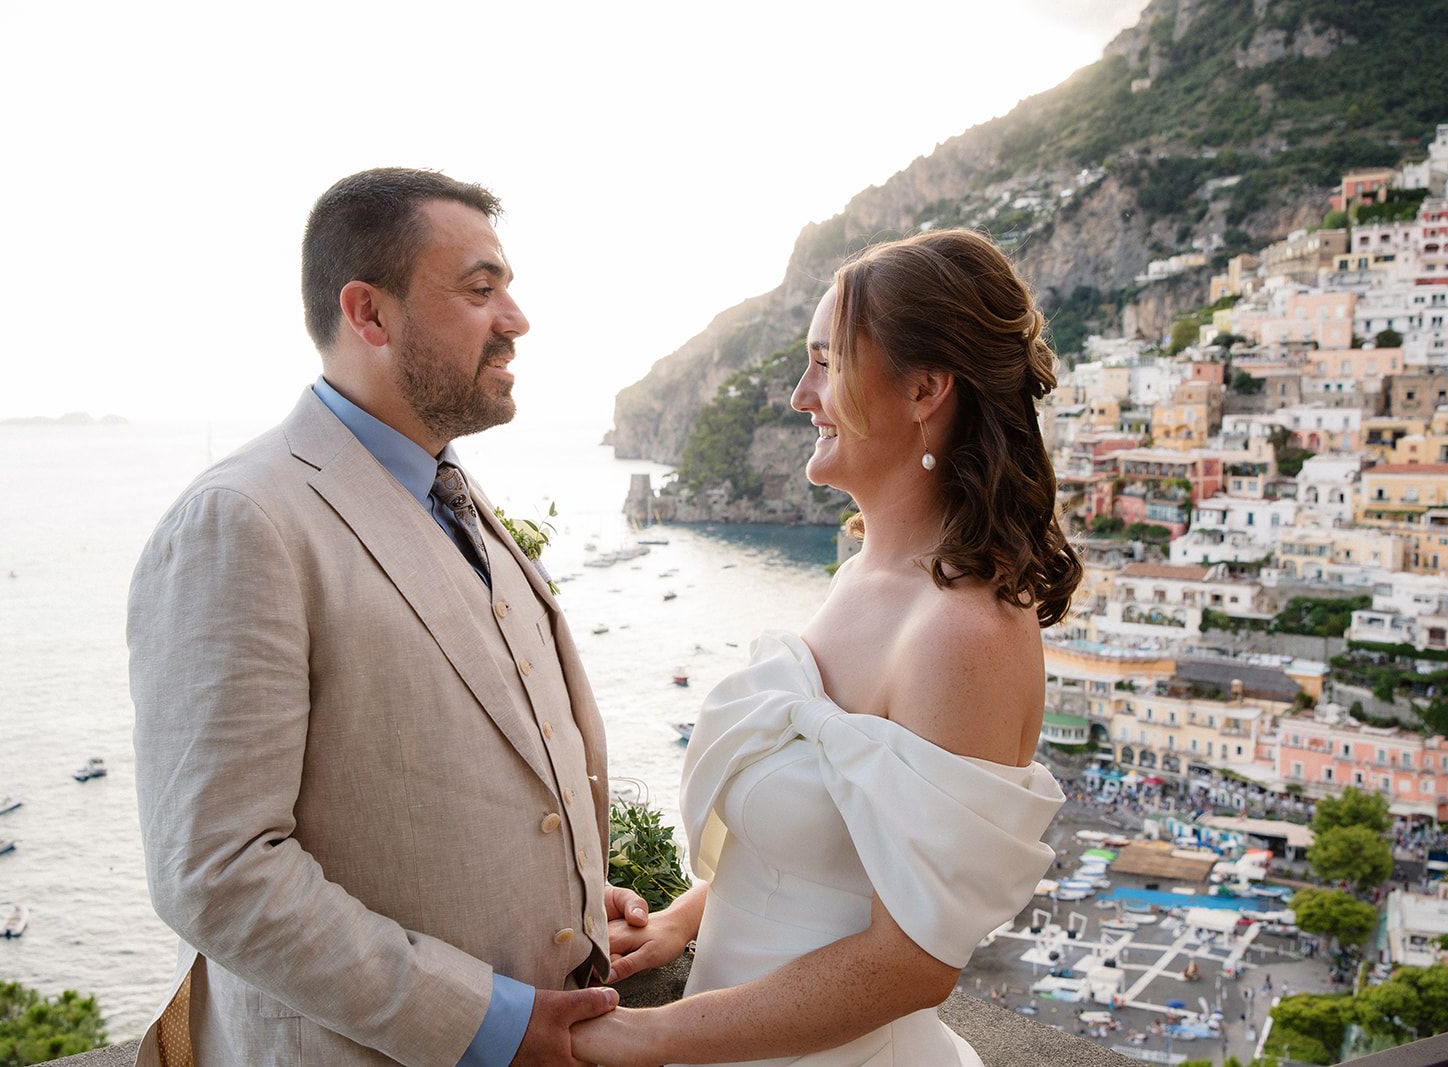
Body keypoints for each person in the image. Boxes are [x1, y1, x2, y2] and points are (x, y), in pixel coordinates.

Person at [128, 168, 645, 1066]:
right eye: (481, 290)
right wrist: (484, 1021)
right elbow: (217, 870)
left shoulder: (453, 493)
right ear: (369, 314)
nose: (516, 318)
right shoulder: (243, 521)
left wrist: (570, 901)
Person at [573, 230, 1079, 1065]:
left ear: (924, 388)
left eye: (826, 363)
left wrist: (646, 1033)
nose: (800, 393)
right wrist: (681, 918)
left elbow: (910, 961)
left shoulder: (964, 632)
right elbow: (826, 849)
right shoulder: (862, 574)